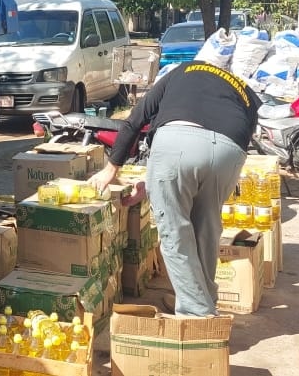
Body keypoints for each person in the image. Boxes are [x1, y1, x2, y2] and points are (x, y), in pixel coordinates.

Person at [89, 61, 259, 317]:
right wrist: (153, 184)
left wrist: (111, 169)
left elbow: (134, 122)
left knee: (175, 234)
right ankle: (204, 300)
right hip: (229, 151)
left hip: (177, 142)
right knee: (206, 229)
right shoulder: (242, 88)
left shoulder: (180, 72)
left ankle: (197, 317)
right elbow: (246, 131)